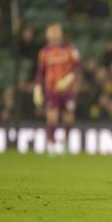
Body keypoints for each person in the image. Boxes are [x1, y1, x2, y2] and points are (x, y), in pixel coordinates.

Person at [34, 23, 82, 156]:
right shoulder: (44, 53)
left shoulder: (70, 49)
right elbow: (40, 72)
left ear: (61, 33)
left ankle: (65, 142)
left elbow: (78, 66)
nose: (54, 34)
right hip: (52, 90)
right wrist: (37, 89)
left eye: (56, 31)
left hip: (68, 90)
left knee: (68, 119)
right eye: (51, 32)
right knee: (52, 117)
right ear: (47, 34)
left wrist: (69, 78)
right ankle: (52, 145)